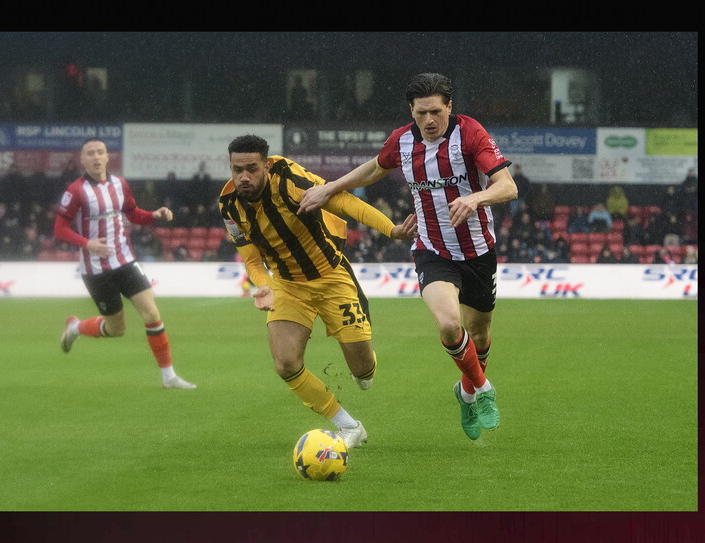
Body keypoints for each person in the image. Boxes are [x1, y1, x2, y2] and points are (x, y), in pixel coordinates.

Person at [297, 72, 517, 440]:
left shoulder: (471, 133)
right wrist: (329, 188)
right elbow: (373, 169)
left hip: (479, 251)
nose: (429, 121)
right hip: (431, 250)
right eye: (420, 114)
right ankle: (484, 390)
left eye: (435, 112)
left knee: (478, 336)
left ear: (450, 107)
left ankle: (465, 390)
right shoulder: (401, 141)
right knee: (449, 324)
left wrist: (474, 197)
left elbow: (508, 186)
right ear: (411, 112)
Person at [219, 134, 416, 450]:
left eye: (251, 168)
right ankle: (348, 426)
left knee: (363, 370)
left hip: (331, 277)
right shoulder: (229, 205)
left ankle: (362, 367)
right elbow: (251, 258)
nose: (244, 176)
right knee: (285, 363)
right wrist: (264, 286)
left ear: (266, 165)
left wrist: (391, 230)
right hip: (287, 285)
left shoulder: (290, 179)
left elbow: (343, 200)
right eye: (237, 169)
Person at [54, 137, 196, 390]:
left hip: (125, 260)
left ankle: (169, 377)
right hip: (96, 269)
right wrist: (88, 244)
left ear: (108, 157)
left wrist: (154, 215)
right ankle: (75, 327)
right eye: (90, 153)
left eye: (100, 152)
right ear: (83, 159)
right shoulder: (75, 191)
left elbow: (133, 214)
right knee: (116, 328)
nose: (96, 157)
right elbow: (60, 228)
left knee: (152, 313)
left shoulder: (120, 184)